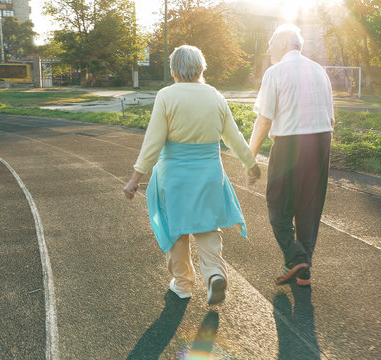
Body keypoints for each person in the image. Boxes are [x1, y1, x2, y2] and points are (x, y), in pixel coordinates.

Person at [124, 45, 261, 305]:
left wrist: (135, 179)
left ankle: (183, 284)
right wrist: (251, 164)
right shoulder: (215, 96)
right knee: (207, 225)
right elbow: (234, 138)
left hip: (174, 175)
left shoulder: (166, 96)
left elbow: (153, 142)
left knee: (175, 228)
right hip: (209, 173)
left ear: (174, 70)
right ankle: (214, 274)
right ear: (201, 68)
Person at [248, 24, 334, 287]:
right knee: (309, 208)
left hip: (290, 143)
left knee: (277, 206)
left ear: (284, 44)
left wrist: (249, 156)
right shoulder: (320, 71)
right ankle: (303, 270)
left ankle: (295, 256)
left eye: (271, 43)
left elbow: (264, 120)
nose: (268, 48)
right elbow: (331, 117)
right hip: (321, 141)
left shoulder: (275, 72)